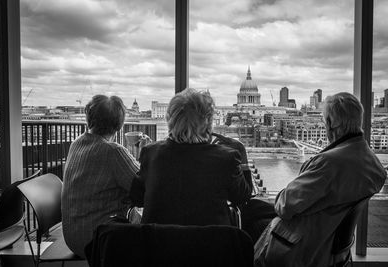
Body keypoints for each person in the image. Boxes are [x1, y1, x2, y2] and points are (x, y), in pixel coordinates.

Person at [253, 92, 387, 267]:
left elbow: (285, 206)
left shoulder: (329, 163)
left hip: (306, 247)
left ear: (331, 124)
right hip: (335, 246)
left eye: (324, 122)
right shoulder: (373, 163)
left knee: (251, 214)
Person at [129, 88, 253, 226]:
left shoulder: (151, 153)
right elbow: (244, 197)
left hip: (160, 244)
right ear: (208, 121)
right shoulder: (226, 158)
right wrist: (241, 152)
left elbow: (137, 198)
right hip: (211, 245)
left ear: (170, 119)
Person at [62, 95, 148, 258]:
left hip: (74, 236)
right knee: (158, 236)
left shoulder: (77, 143)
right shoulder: (112, 151)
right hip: (98, 239)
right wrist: (145, 153)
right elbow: (143, 191)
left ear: (89, 118)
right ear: (119, 124)